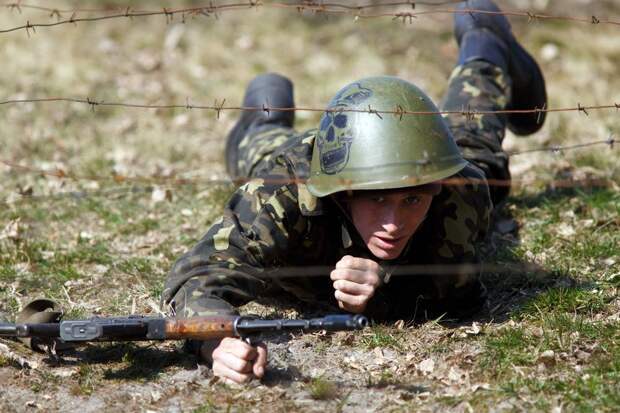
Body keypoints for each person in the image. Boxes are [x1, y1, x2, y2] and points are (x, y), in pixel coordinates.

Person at [161, 0, 547, 384]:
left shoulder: (458, 190)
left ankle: (484, 40)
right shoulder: (283, 193)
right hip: (302, 160)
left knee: (477, 148)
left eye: (412, 200)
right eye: (377, 199)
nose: (394, 223)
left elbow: (459, 298)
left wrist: (383, 285)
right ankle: (267, 108)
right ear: (343, 193)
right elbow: (198, 274)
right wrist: (217, 340)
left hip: (424, 155)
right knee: (262, 147)